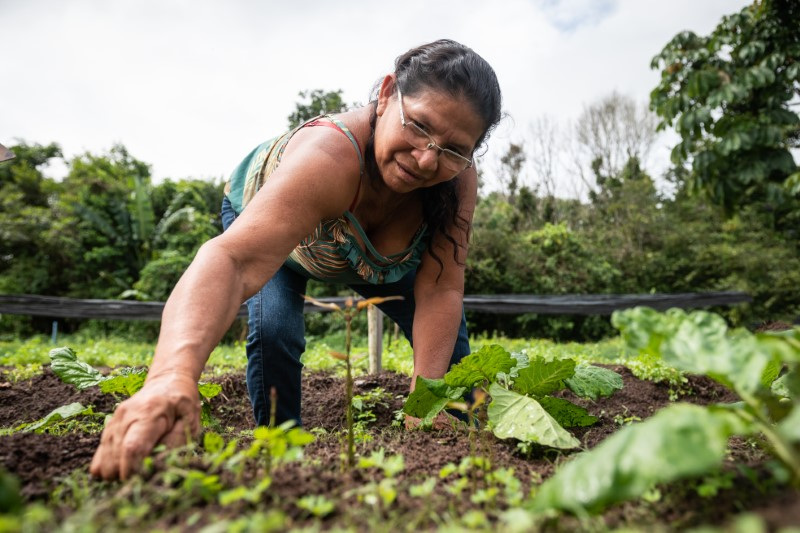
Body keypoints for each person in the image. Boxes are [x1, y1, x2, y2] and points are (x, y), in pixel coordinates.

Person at [90, 39, 502, 480]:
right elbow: (234, 260)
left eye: (454, 149)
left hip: (371, 258)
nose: (425, 159)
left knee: (450, 355)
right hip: (275, 232)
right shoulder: (328, 157)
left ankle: (453, 444)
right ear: (386, 95)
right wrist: (170, 376)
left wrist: (426, 402)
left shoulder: (455, 182)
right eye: (418, 126)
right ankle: (282, 450)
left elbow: (441, 288)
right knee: (274, 329)